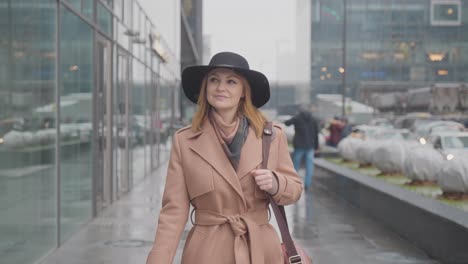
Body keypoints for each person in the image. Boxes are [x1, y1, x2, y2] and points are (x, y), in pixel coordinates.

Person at [146, 52, 303, 264]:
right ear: (205, 88)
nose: (221, 88)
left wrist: (276, 183)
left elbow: (294, 190)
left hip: (260, 250)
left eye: (231, 81)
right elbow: (173, 212)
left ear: (243, 92)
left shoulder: (272, 136)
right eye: (214, 80)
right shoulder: (185, 141)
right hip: (206, 252)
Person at [284, 105, 319, 190]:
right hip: (310, 146)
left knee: (295, 165)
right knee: (309, 166)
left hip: (299, 145)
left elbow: (287, 123)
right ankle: (307, 184)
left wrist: (294, 117)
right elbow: (316, 134)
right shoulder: (313, 119)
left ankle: (294, 183)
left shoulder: (297, 118)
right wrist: (316, 146)